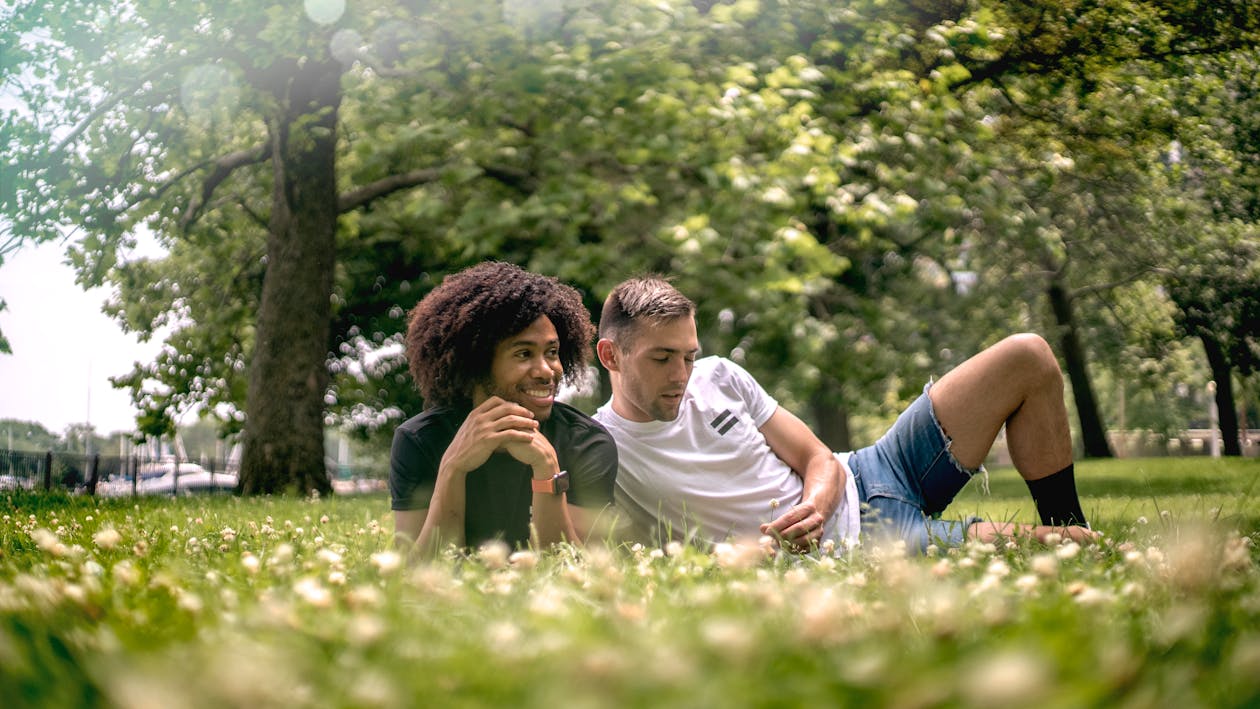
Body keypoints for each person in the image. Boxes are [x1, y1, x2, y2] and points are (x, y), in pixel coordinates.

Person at [592, 276, 1095, 554]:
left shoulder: (720, 375)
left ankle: (1068, 519)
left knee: (1027, 355)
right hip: (871, 540)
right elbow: (563, 541)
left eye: (689, 355)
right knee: (1065, 548)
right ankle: (1075, 542)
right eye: (662, 359)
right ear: (611, 356)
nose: (682, 374)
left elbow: (818, 457)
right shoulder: (597, 448)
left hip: (876, 468)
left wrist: (816, 503)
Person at [390, 261, 617, 558]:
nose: (546, 370)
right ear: (477, 362)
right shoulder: (419, 440)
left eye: (552, 352)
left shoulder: (587, 443)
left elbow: (575, 573)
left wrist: (548, 470)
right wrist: (452, 468)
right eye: (524, 353)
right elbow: (417, 572)